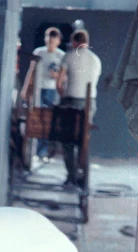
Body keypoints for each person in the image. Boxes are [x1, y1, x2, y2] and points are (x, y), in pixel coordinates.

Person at [56, 30, 102, 186]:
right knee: (84, 140)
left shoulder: (68, 56)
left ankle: (72, 176)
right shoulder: (96, 59)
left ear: (74, 42)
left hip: (71, 102)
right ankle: (84, 176)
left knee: (68, 141)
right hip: (90, 103)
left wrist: (62, 95)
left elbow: (59, 83)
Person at [20, 28, 64, 162]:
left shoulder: (61, 56)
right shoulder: (39, 52)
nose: (50, 41)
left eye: (53, 39)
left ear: (58, 41)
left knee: (48, 120)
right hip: (38, 90)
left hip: (52, 91)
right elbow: (31, 71)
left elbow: (64, 77)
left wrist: (56, 76)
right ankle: (35, 151)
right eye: (48, 38)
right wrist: (25, 89)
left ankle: (43, 151)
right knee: (36, 119)